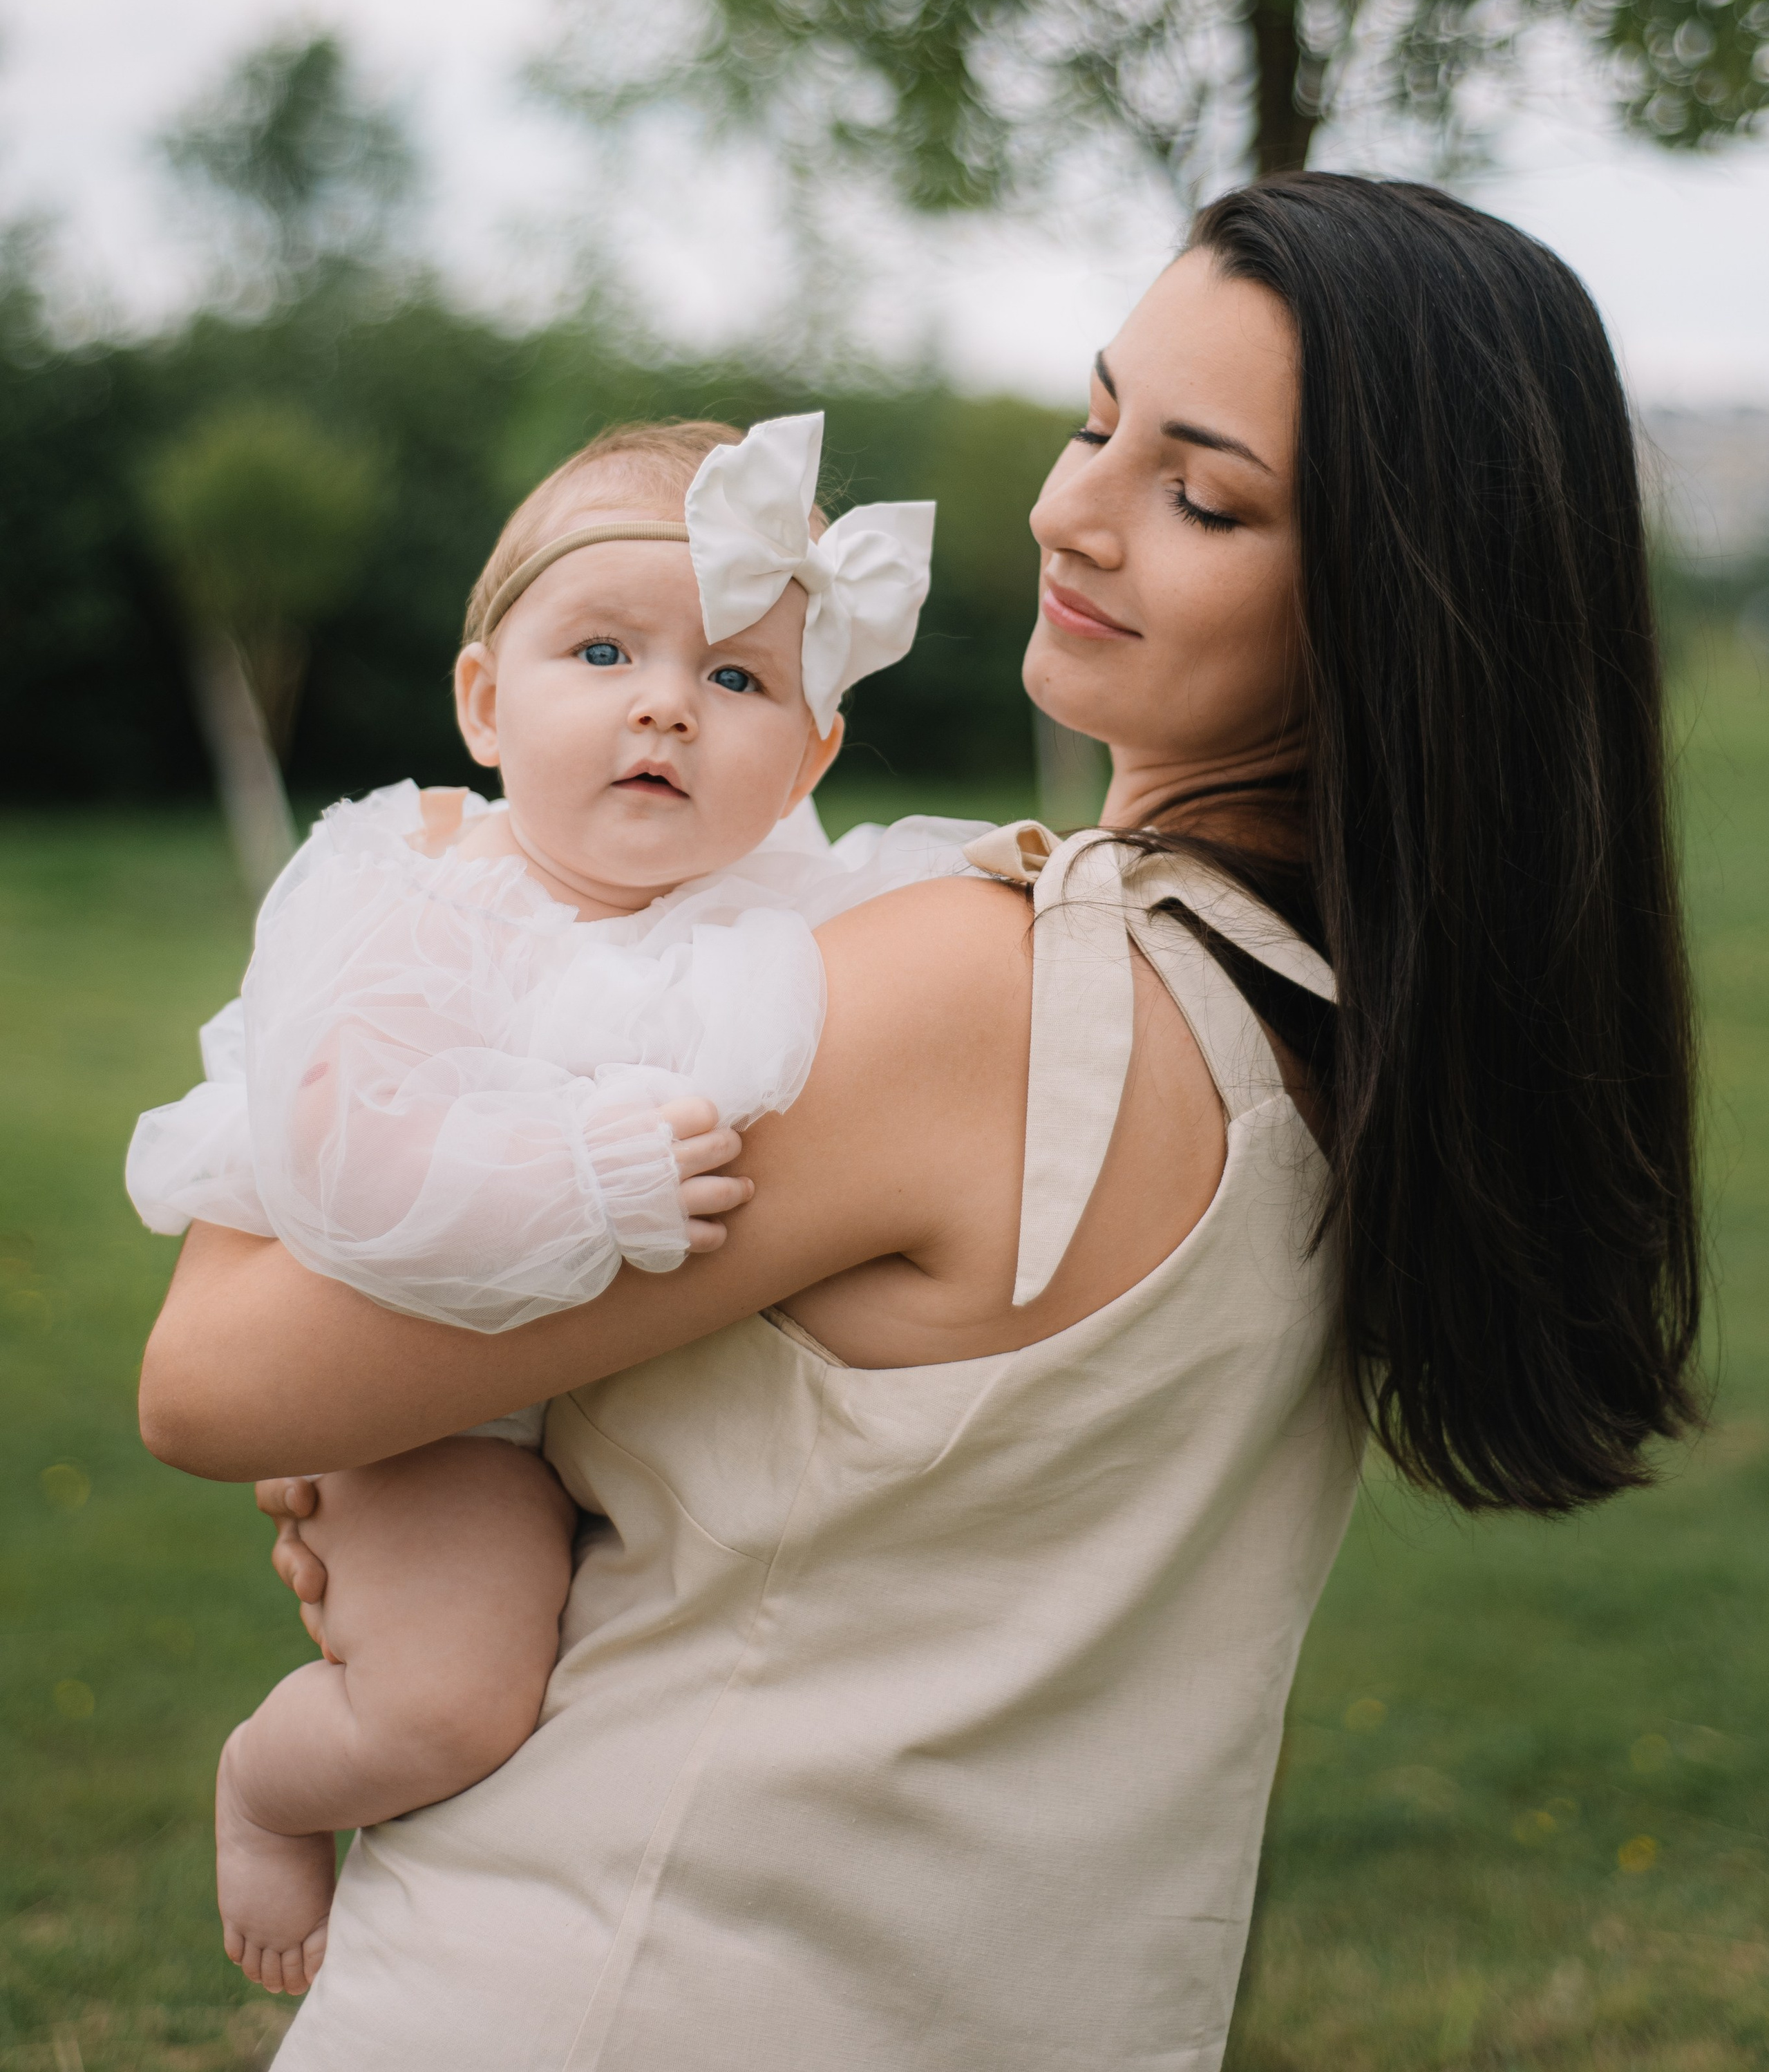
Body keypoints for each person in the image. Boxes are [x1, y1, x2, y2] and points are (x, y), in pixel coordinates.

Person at [140, 176, 1701, 2072]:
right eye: (1094, 419)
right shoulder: (1351, 1049)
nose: (1069, 509)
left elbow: (215, 1381)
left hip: (608, 1991)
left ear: (1396, 596)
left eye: (1199, 496)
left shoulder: (982, 994)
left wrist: (341, 980)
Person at [126, 409, 981, 1994]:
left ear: (805, 759)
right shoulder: (422, 883)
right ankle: (273, 1782)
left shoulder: (786, 919)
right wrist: (577, 1175)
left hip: (641, 1421)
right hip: (427, 1412)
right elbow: (338, 1157)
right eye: (601, 653)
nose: (666, 701)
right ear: (483, 700)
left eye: (735, 679)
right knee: (451, 1693)